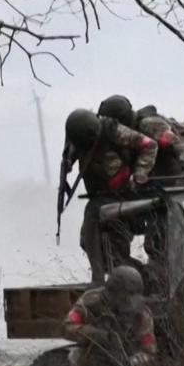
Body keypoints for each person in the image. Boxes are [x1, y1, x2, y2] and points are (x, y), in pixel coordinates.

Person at [62, 108, 163, 282]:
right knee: (91, 244)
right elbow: (70, 157)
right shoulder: (77, 139)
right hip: (102, 197)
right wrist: (68, 163)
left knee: (96, 222)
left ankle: (108, 279)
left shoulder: (113, 131)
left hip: (125, 194)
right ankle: (145, 278)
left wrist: (140, 173)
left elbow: (149, 145)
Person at [63, 265, 157, 366]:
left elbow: (148, 351)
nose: (130, 303)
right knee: (69, 360)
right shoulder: (90, 301)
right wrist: (96, 335)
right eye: (125, 298)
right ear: (113, 293)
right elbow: (68, 327)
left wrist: (130, 364)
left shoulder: (142, 313)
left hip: (126, 361)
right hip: (89, 355)